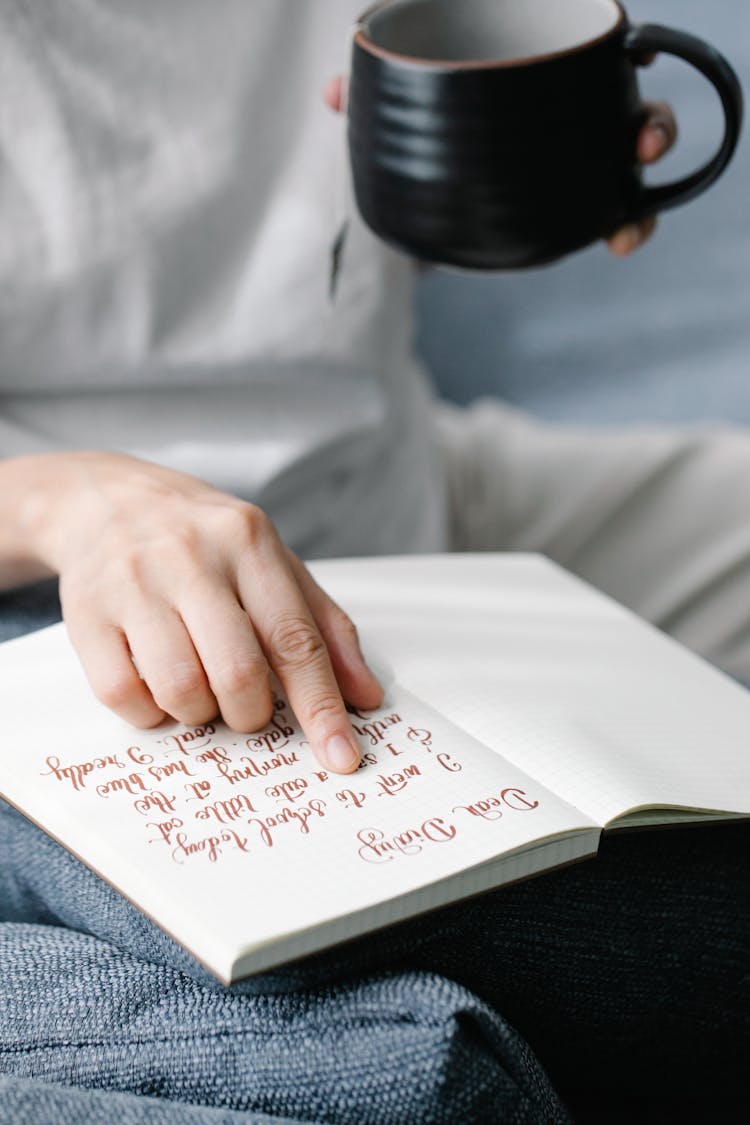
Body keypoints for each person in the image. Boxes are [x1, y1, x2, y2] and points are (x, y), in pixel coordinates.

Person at [0, 2, 748, 1122]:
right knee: (670, 952)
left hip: (404, 482)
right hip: (88, 616)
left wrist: (531, 159)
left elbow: (283, 273)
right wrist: (70, 498)